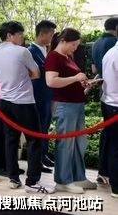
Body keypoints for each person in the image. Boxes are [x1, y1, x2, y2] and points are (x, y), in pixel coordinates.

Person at [0, 21, 52, 193]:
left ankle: (13, 178)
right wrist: (24, 76)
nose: (22, 38)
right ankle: (32, 182)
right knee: (34, 140)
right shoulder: (22, 51)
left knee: (11, 139)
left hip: (5, 101)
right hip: (24, 102)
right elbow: (36, 73)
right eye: (20, 34)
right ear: (9, 35)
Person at [45, 28, 98, 194]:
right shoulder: (54, 56)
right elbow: (51, 81)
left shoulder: (67, 57)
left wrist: (84, 84)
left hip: (75, 104)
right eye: (73, 44)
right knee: (66, 143)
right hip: (64, 105)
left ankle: (78, 176)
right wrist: (76, 78)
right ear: (63, 41)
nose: (75, 48)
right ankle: (63, 180)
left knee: (78, 143)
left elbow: (69, 81)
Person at [28, 20, 57, 171]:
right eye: (51, 34)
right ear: (43, 34)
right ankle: (37, 160)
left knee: (45, 127)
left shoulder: (46, 50)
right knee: (38, 128)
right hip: (37, 94)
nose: (52, 37)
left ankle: (43, 155)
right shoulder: (31, 51)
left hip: (47, 95)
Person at [92, 17, 118, 185]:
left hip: (106, 91)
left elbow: (94, 68)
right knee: (114, 141)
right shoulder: (113, 44)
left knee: (108, 135)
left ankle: (103, 172)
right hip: (115, 95)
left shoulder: (96, 43)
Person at [100, 38, 118, 198]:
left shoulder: (110, 52)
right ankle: (116, 186)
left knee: (111, 143)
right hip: (115, 106)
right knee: (115, 147)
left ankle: (105, 173)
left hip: (108, 102)